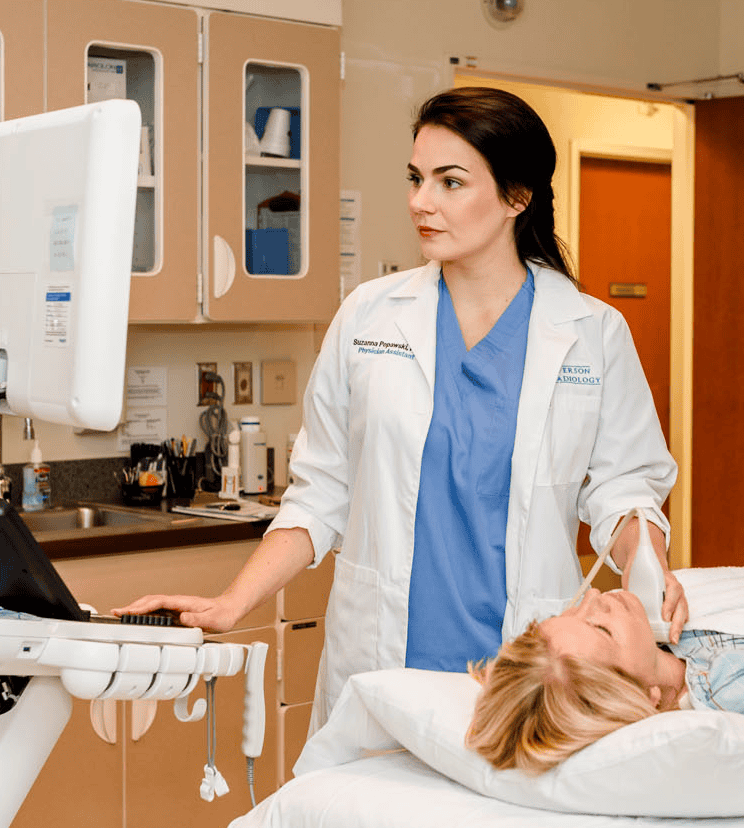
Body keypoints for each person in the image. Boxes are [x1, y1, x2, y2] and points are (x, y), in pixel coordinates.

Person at [115, 86, 684, 732]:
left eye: (449, 182)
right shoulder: (368, 317)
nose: (420, 202)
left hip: (525, 675)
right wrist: (230, 602)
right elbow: (320, 493)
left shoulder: (590, 332)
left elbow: (623, 487)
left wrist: (650, 564)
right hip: (386, 666)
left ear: (515, 197)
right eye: (416, 179)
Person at [466, 578, 744, 774]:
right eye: (603, 629)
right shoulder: (735, 693)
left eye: (571, 611)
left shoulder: (665, 636)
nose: (595, 597)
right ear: (645, 695)